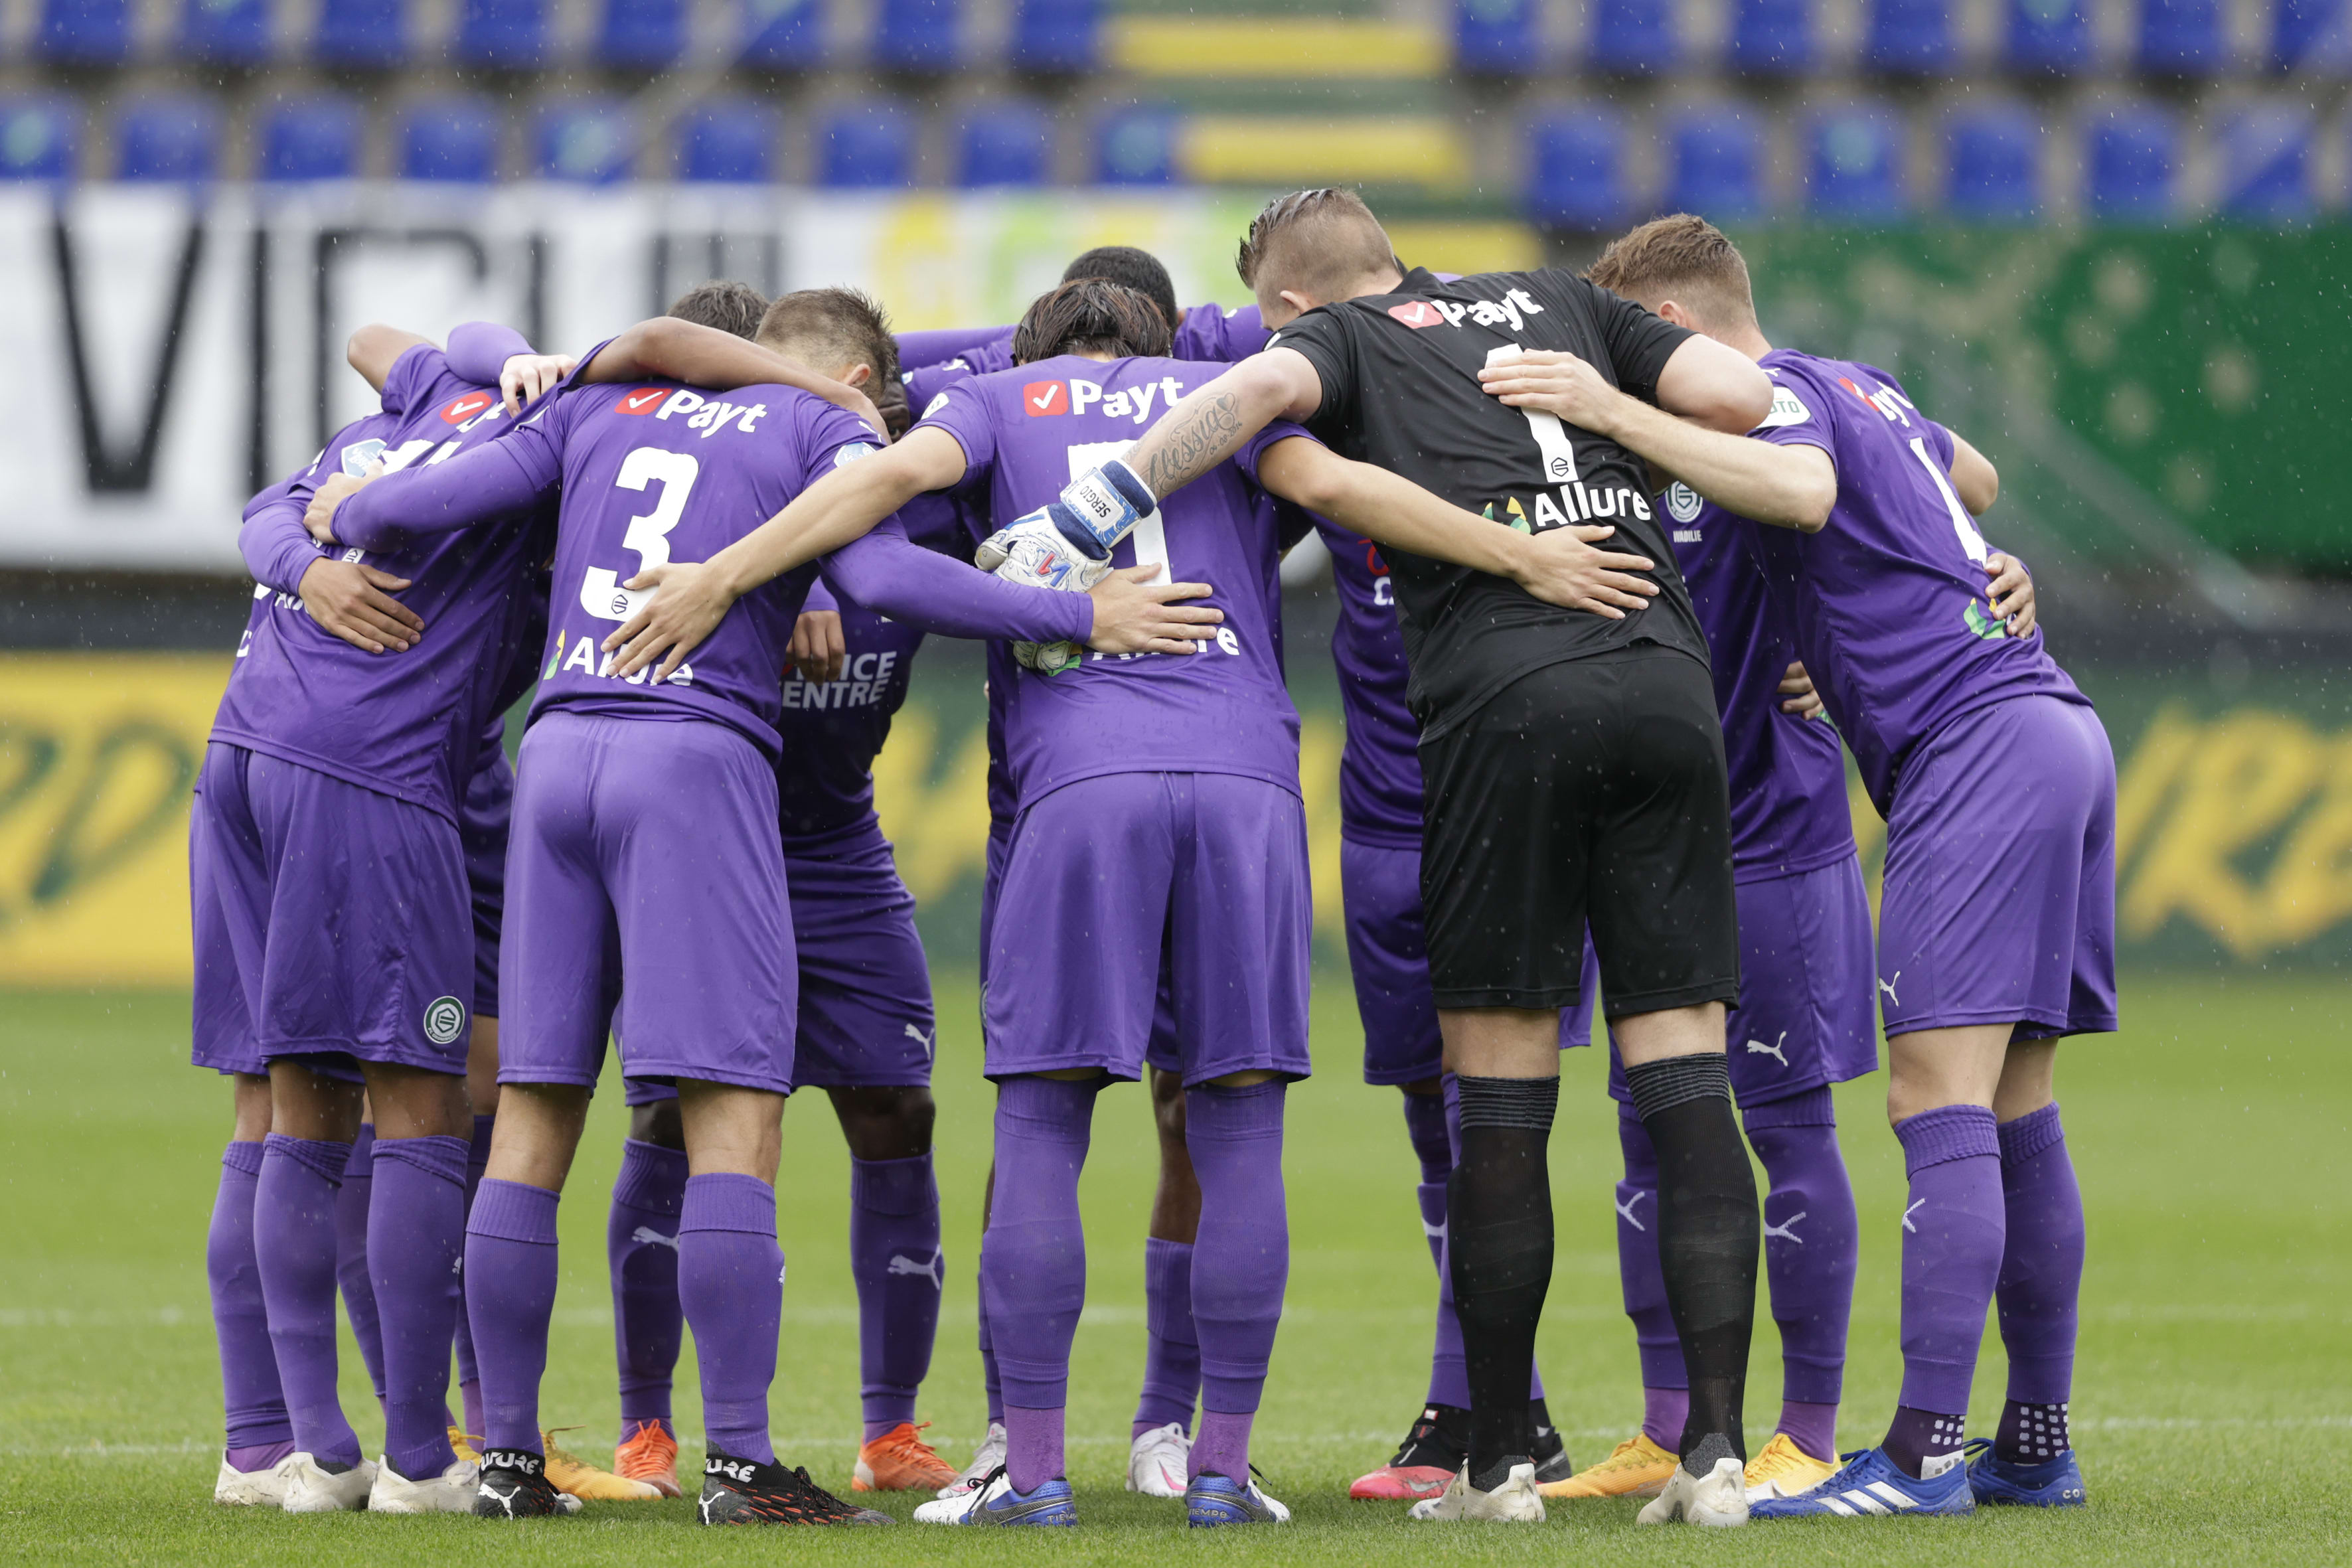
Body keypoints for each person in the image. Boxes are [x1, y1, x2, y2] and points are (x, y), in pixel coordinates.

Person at [589, 275, 1672, 1526]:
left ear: (1035, 345)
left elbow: (878, 552)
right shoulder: (1231, 405)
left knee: (1045, 1124)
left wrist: (794, 581)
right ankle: (1219, 1469)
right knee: (1238, 1131)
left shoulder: (992, 400)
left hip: (1081, 782)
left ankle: (1034, 1470)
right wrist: (1520, 551)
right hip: (1251, 784)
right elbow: (1341, 492)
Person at [305, 287, 1217, 1526]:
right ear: (839, 373)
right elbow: (887, 557)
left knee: (532, 1107)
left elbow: (442, 475)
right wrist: (1075, 609)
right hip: (695, 760)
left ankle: (506, 1458)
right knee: (734, 1110)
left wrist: (345, 512)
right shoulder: (824, 431)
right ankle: (739, 1458)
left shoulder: (597, 406)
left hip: (564, 747)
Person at [1095, 188, 1775, 1528]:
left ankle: (1495, 1467)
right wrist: (1613, 415)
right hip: (1660, 683)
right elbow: (1741, 398)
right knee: (1683, 1072)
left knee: (1500, 1086)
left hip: (1502, 708)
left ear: (1289, 296)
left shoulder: (1338, 338)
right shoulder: (1568, 301)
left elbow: (1242, 406)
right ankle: (1714, 1458)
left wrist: (1102, 497)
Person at [1508, 213, 2106, 1521]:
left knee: (1928, 1098)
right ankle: (2030, 1439)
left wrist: (1611, 398)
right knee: (2012, 1101)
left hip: (1967, 750)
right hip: (2047, 724)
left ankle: (1917, 1453)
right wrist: (1961, 560)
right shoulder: (1855, 382)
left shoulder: (1772, 404)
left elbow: (1802, 494)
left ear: (1664, 335)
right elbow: (1979, 475)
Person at [597, 287, 977, 1501]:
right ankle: (648, 1425)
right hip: (708, 854)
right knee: (672, 1122)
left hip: (836, 852)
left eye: (811, 392)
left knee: (899, 1112)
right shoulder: (692, 497)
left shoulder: (923, 491)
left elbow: (991, 373)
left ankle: (891, 1429)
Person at [195, 320, 572, 1515]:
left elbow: (366, 352)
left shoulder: (387, 426)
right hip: (373, 772)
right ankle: (417, 1459)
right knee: (420, 1103)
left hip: (245, 752)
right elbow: (386, 367)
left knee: (288, 1100)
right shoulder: (544, 438)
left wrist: (312, 544)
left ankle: (291, 1446)